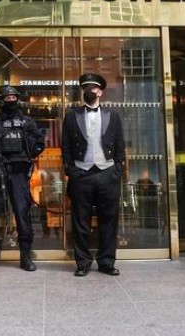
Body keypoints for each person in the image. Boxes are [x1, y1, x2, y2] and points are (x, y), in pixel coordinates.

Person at [0, 85, 45, 271]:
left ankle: (25, 256)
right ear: (0, 101)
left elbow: (39, 143)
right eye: (7, 97)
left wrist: (29, 155)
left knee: (22, 214)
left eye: (14, 97)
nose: (11, 100)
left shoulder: (27, 123)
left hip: (19, 173)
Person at [61, 73, 125, 277]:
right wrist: (71, 171)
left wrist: (118, 170)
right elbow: (66, 146)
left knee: (109, 220)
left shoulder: (112, 115)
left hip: (108, 173)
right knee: (80, 220)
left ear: (100, 91)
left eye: (93, 88)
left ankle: (106, 262)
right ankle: (82, 262)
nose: (89, 91)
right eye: (85, 88)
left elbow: (120, 146)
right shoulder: (72, 115)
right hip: (82, 173)